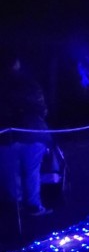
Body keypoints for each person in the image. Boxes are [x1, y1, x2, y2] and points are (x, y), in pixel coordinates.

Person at [0, 53, 53, 216]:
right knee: (32, 172)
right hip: (33, 133)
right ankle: (33, 206)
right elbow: (42, 108)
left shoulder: (3, 85)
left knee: (11, 174)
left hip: (8, 136)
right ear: (17, 63)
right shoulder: (30, 83)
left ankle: (16, 207)